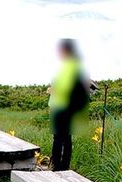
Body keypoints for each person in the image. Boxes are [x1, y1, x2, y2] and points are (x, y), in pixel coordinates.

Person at [49, 39, 89, 172]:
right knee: (66, 138)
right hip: (69, 106)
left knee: (59, 138)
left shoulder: (69, 66)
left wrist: (53, 90)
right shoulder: (75, 65)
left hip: (63, 107)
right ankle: (63, 166)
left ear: (65, 50)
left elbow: (64, 88)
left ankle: (57, 167)